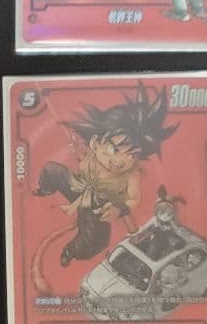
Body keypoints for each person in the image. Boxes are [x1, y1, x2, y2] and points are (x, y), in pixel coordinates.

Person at [33, 84, 177, 266]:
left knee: (93, 242)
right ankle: (47, 188)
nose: (120, 160)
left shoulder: (131, 175)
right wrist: (76, 150)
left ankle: (70, 251)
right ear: (95, 143)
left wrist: (119, 210)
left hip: (99, 208)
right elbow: (81, 158)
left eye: (131, 155)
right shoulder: (92, 152)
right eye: (114, 149)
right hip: (78, 186)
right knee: (52, 169)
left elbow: (134, 200)